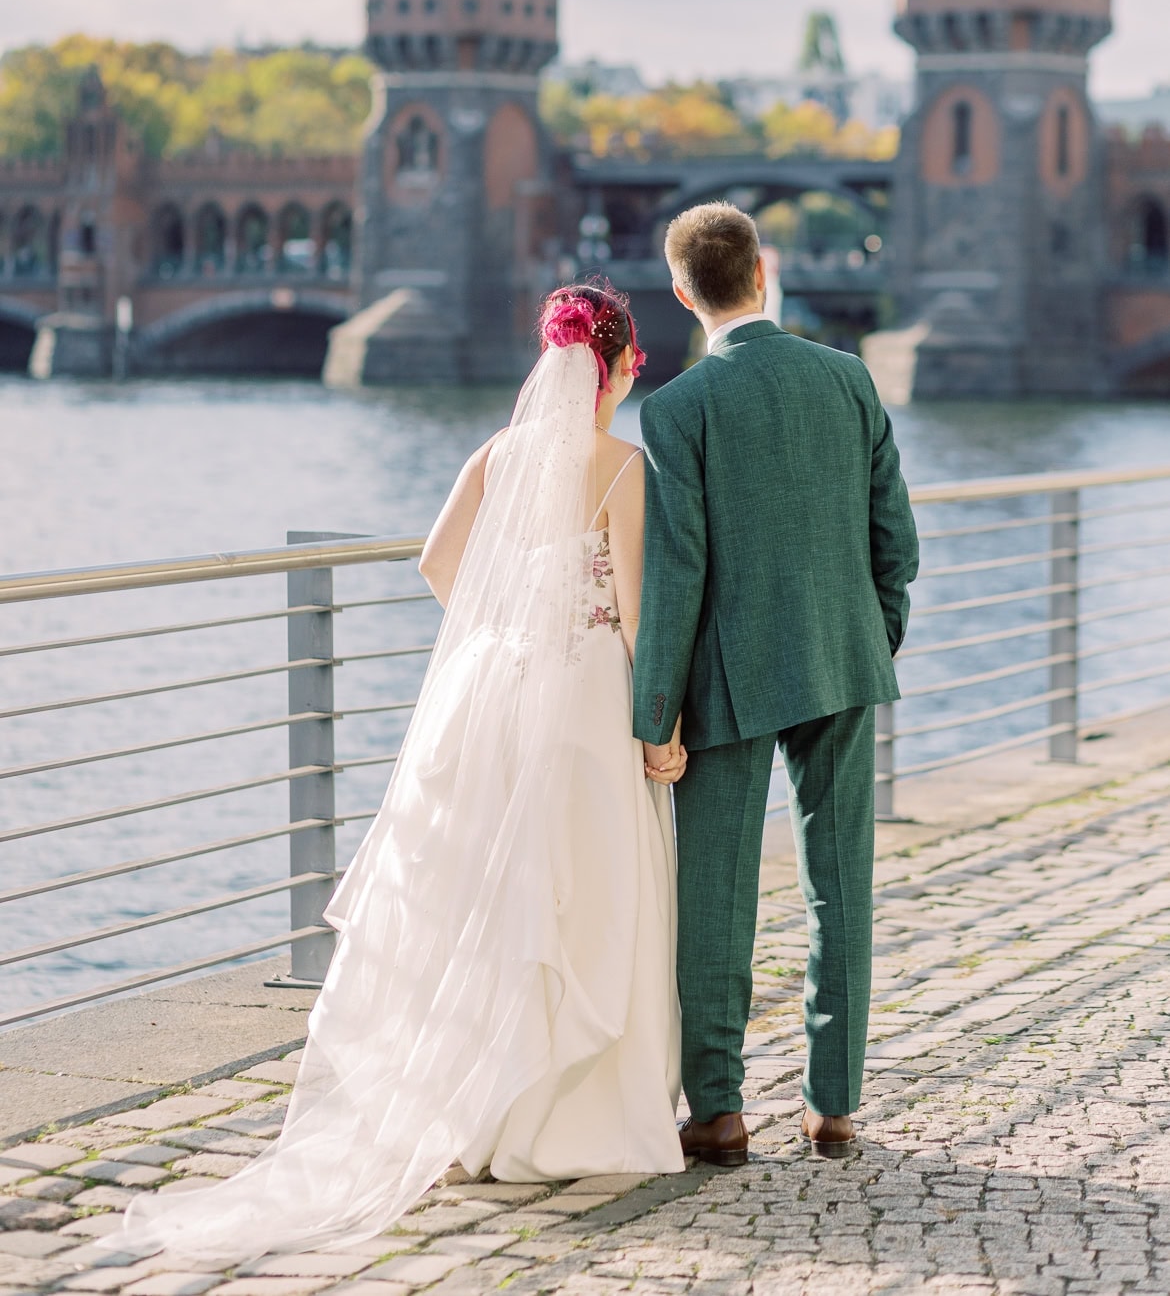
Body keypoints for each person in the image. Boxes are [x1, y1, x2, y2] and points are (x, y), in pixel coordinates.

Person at [111, 285, 685, 1266]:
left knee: (470, 898)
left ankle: (464, 1115)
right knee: (578, 898)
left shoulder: (496, 458)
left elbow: (435, 564)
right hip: (581, 695)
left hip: (485, 688)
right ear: (621, 367)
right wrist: (657, 729)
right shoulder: (621, 467)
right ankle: (561, 1120)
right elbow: (636, 612)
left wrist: (503, 625)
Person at [633, 203, 919, 1165]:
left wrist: (652, 714)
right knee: (842, 886)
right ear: (764, 271)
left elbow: (679, 573)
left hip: (726, 679)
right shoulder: (849, 379)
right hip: (842, 660)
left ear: (684, 294)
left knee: (715, 897)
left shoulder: (675, 409)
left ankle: (717, 1110)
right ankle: (833, 1103)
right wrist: (869, 642)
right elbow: (897, 544)